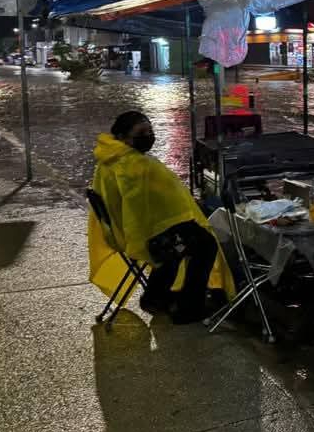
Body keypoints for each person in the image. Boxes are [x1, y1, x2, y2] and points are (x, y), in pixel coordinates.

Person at [89, 111, 231, 324]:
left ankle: (155, 297)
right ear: (123, 137)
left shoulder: (108, 158)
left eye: (150, 131)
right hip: (142, 235)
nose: (148, 135)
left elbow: (149, 203)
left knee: (179, 242)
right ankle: (190, 308)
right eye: (141, 132)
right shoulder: (133, 166)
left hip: (124, 230)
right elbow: (158, 206)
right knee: (205, 244)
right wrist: (188, 211)